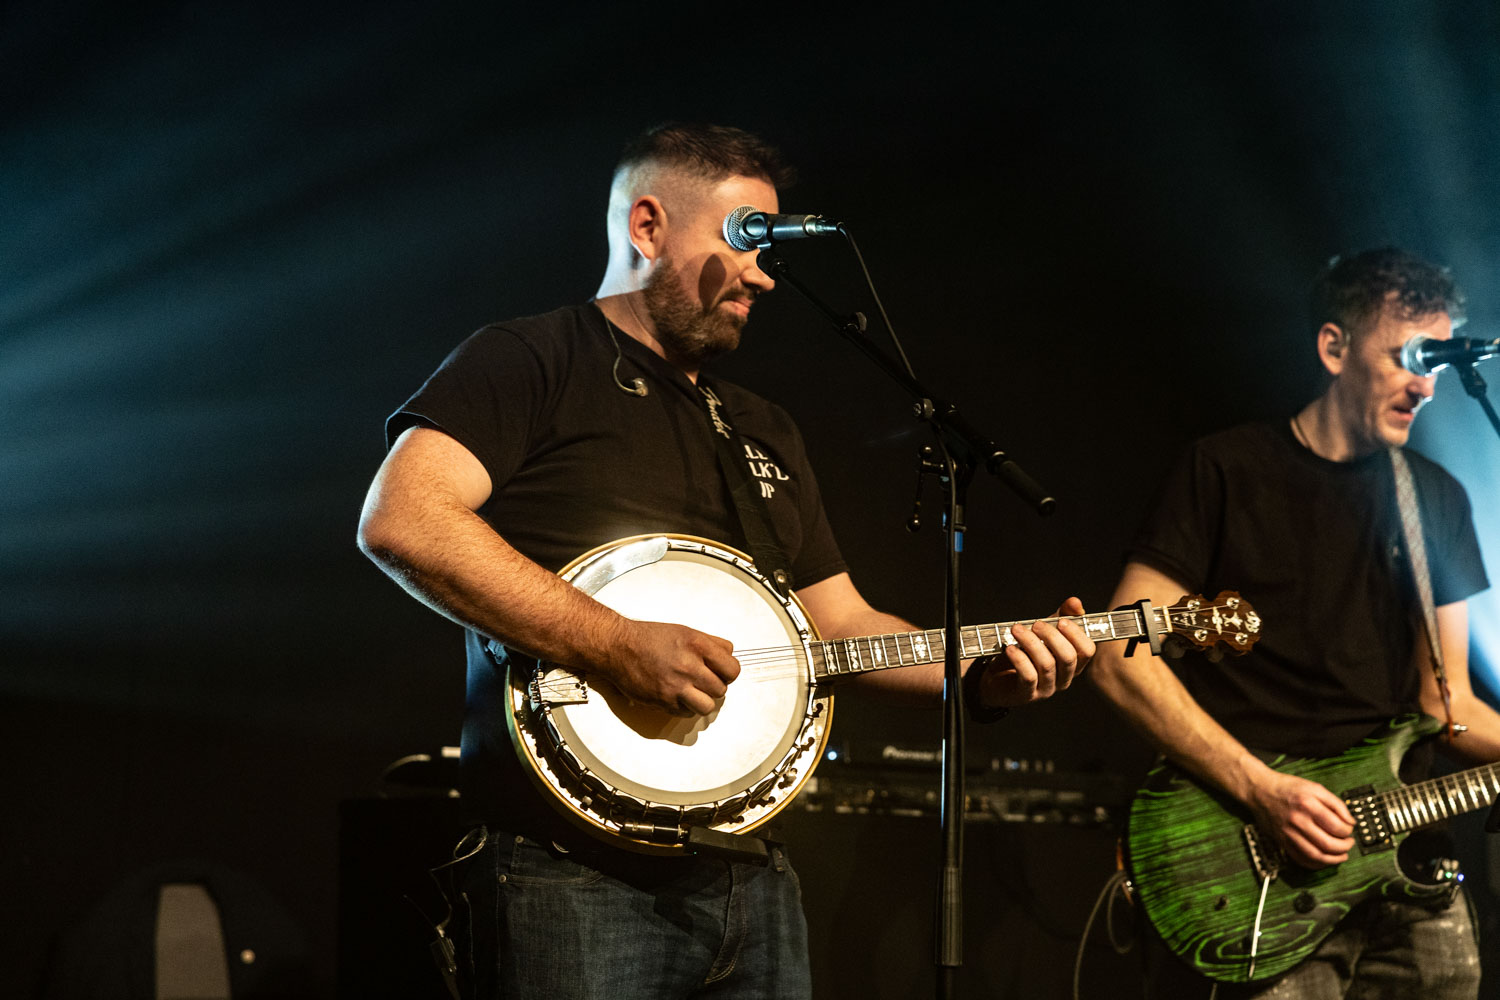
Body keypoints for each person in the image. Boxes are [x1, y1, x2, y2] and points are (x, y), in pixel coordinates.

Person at [356, 122, 1096, 999]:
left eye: (772, 245)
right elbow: (403, 519)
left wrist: (982, 678)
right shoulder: (530, 360)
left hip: (751, 876)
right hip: (566, 873)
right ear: (647, 226)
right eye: (745, 237)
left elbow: (842, 628)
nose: (762, 271)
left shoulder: (764, 427)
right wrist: (613, 642)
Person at [1090, 247, 1495, 998]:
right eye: (1408, 355)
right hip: (1263, 862)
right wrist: (1261, 790)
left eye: (1435, 361)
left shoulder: (1435, 500)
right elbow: (1118, 654)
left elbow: (1448, 707)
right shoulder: (1224, 469)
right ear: (1333, 346)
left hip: (1408, 860)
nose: (1424, 384)